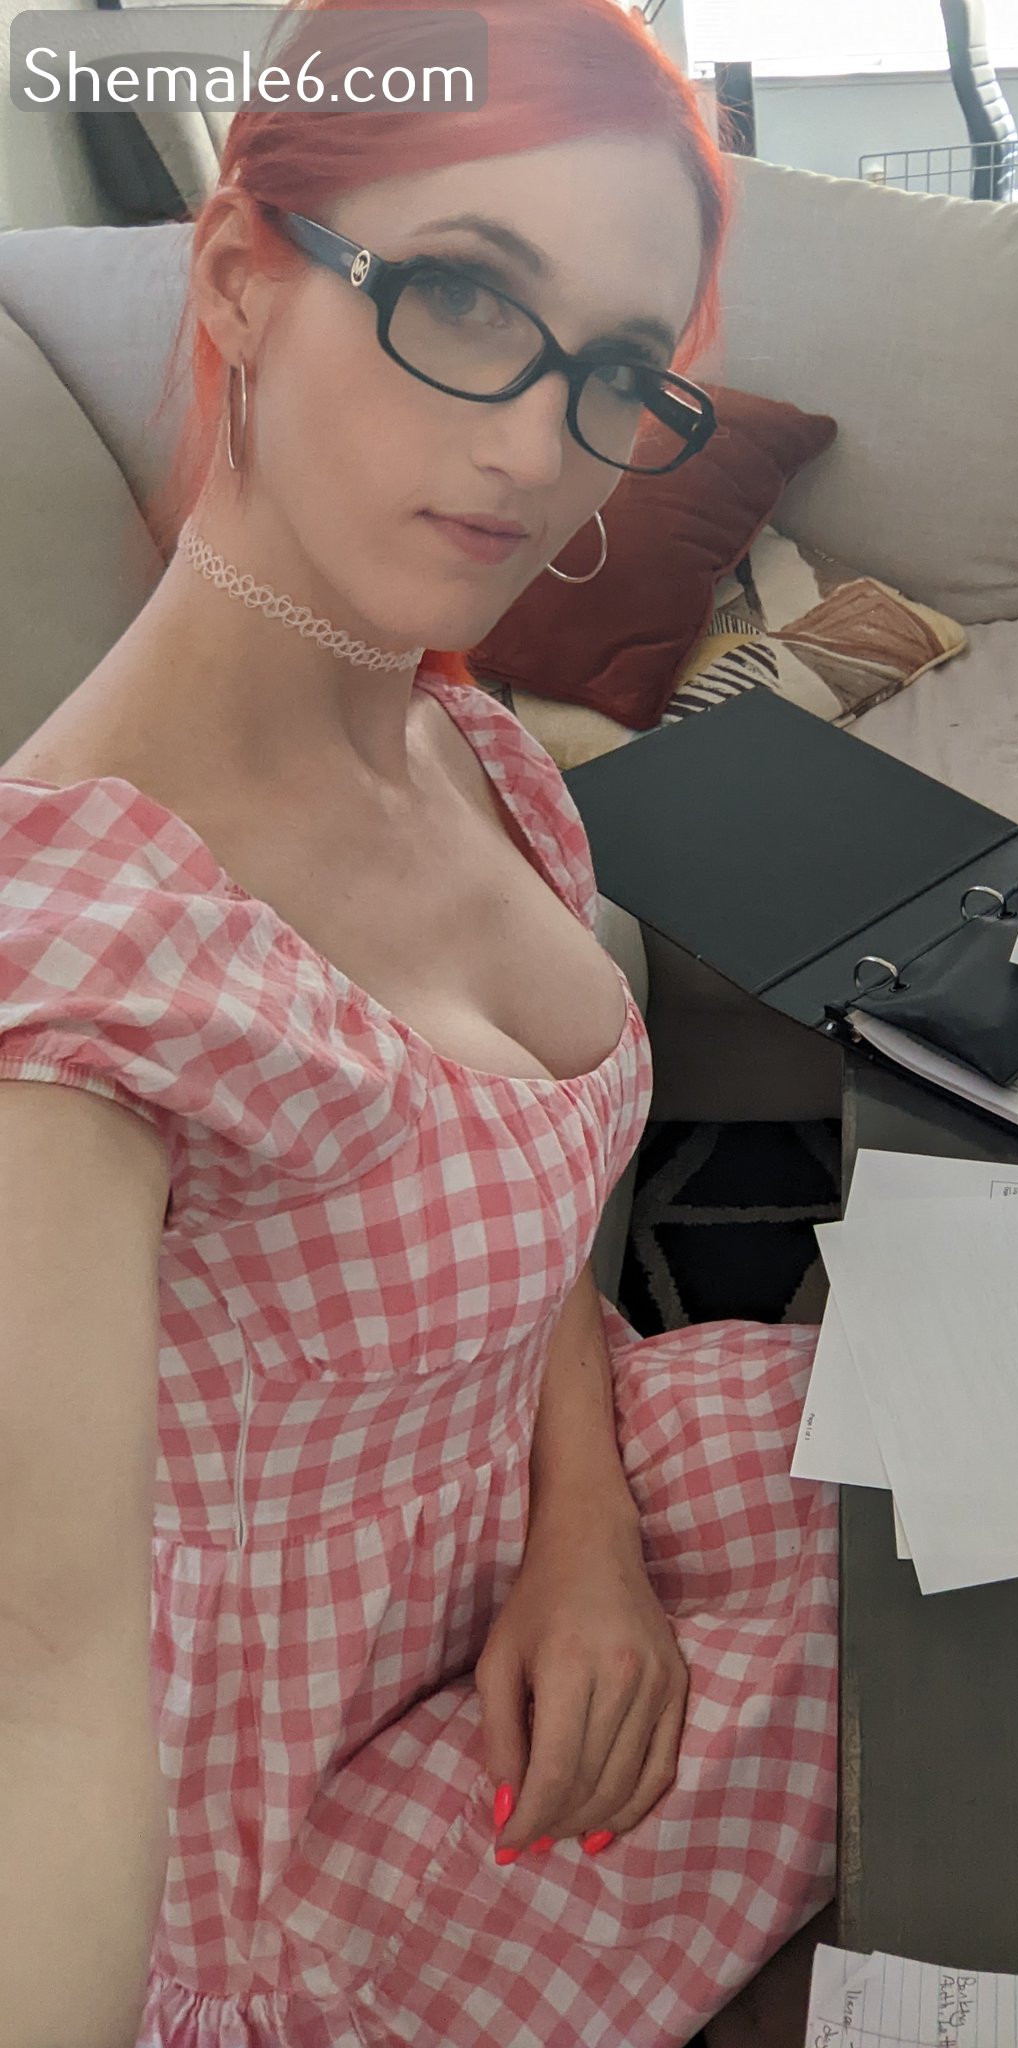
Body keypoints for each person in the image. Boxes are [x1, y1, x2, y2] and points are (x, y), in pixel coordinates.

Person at [0, 1, 838, 2040]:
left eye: (619, 370)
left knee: (982, 1548)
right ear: (240, 279)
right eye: (465, 295)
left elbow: (521, 1227)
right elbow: (40, 1695)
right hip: (286, 1813)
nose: (540, 447)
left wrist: (585, 1530)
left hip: (535, 1536)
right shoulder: (79, 979)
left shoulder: (481, 754)